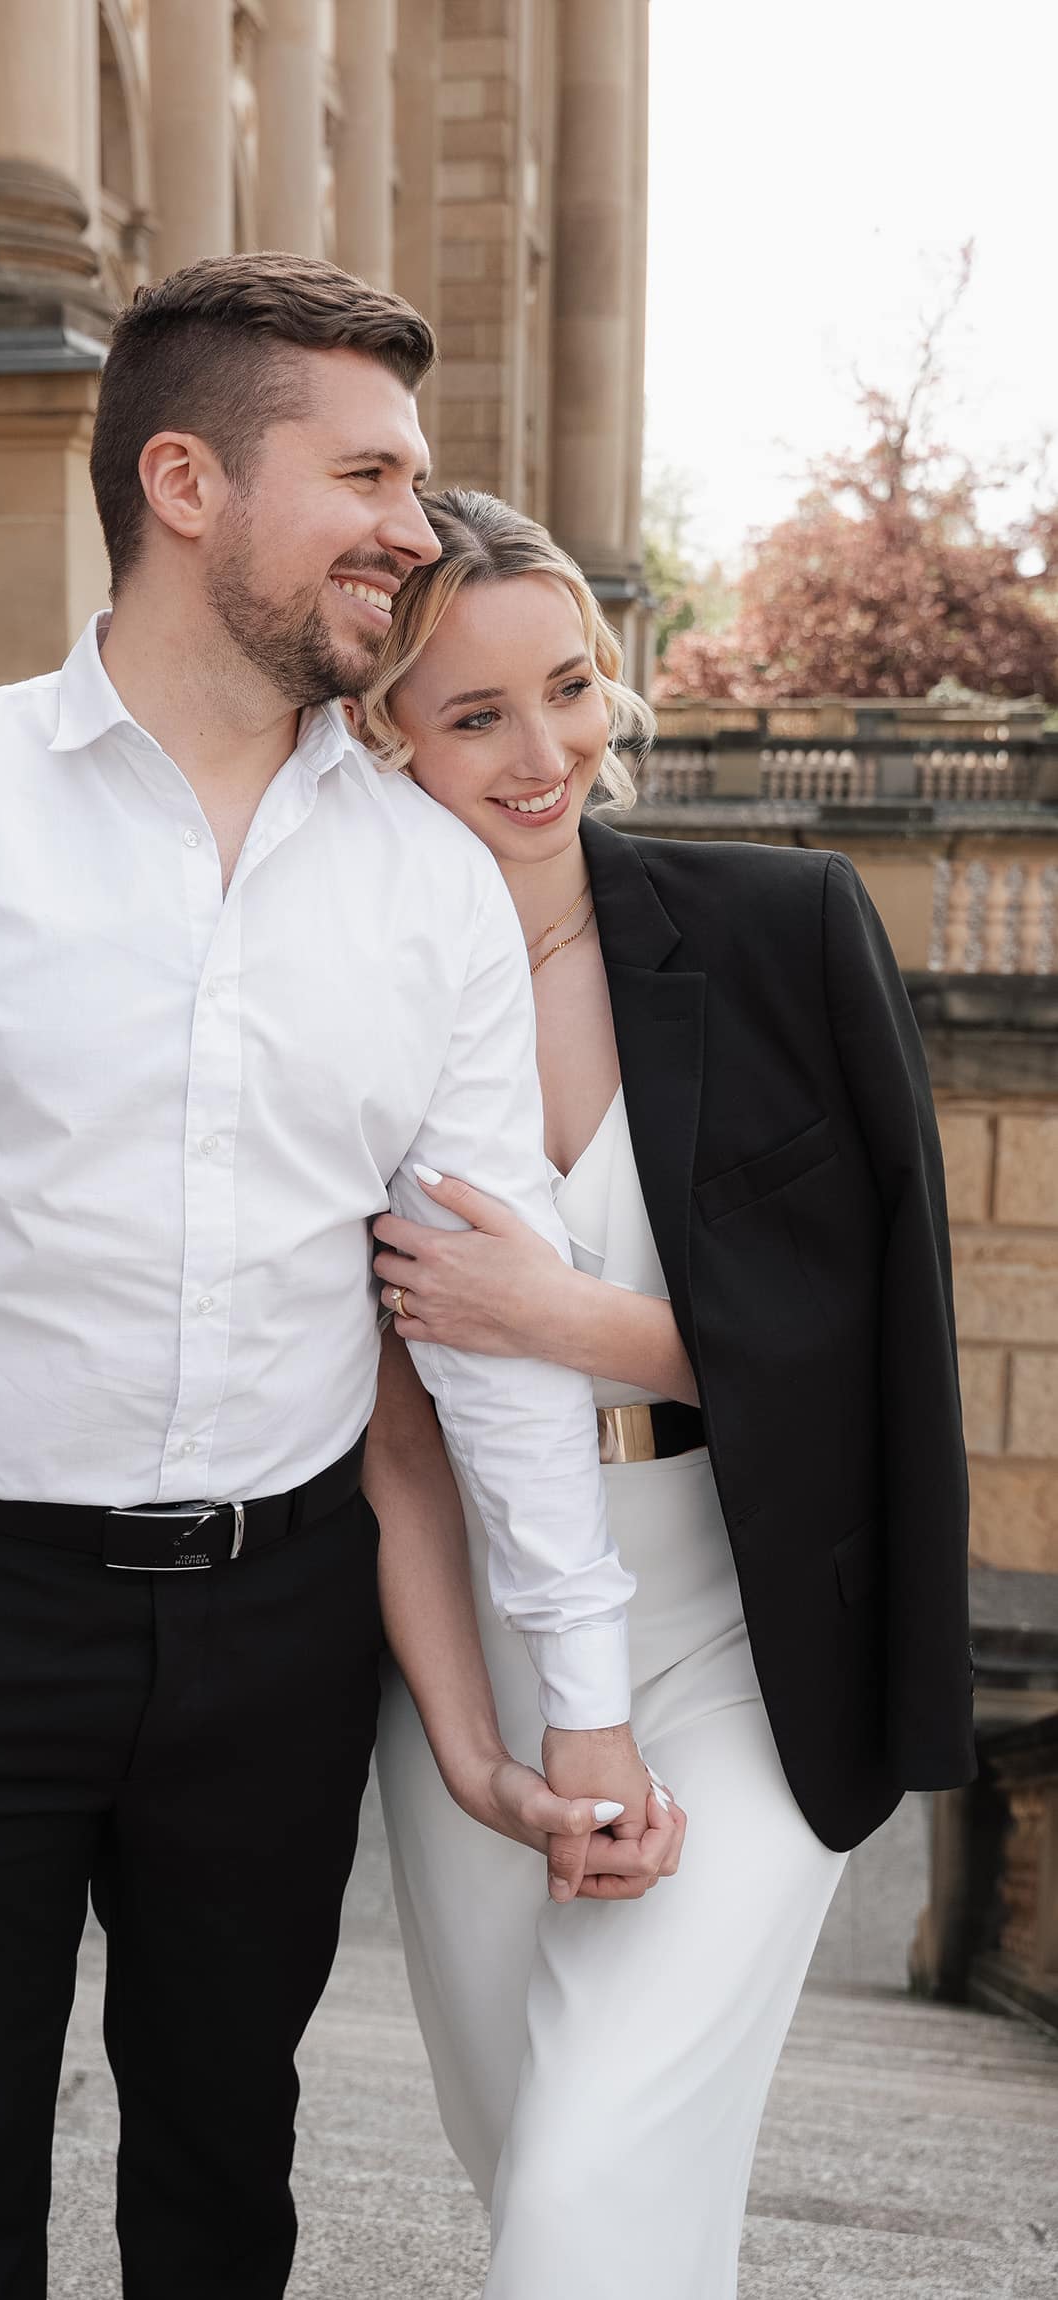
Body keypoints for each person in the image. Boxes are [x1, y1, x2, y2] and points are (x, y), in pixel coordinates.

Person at [0, 261, 675, 2300]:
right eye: (366, 476)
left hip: (276, 1629)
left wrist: (579, 1695)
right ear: (184, 484)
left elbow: (486, 1321)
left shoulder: (428, 881)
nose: (412, 525)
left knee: (225, 2182)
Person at [357, 489, 976, 2300]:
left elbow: (885, 1333)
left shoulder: (787, 927)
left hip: (748, 1623)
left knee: (586, 2178)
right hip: (468, 1639)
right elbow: (392, 1444)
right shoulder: (337, 999)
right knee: (537, 2161)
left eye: (569, 687)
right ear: (380, 733)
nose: (544, 754)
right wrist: (470, 1748)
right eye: (476, 715)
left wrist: (564, 1318)